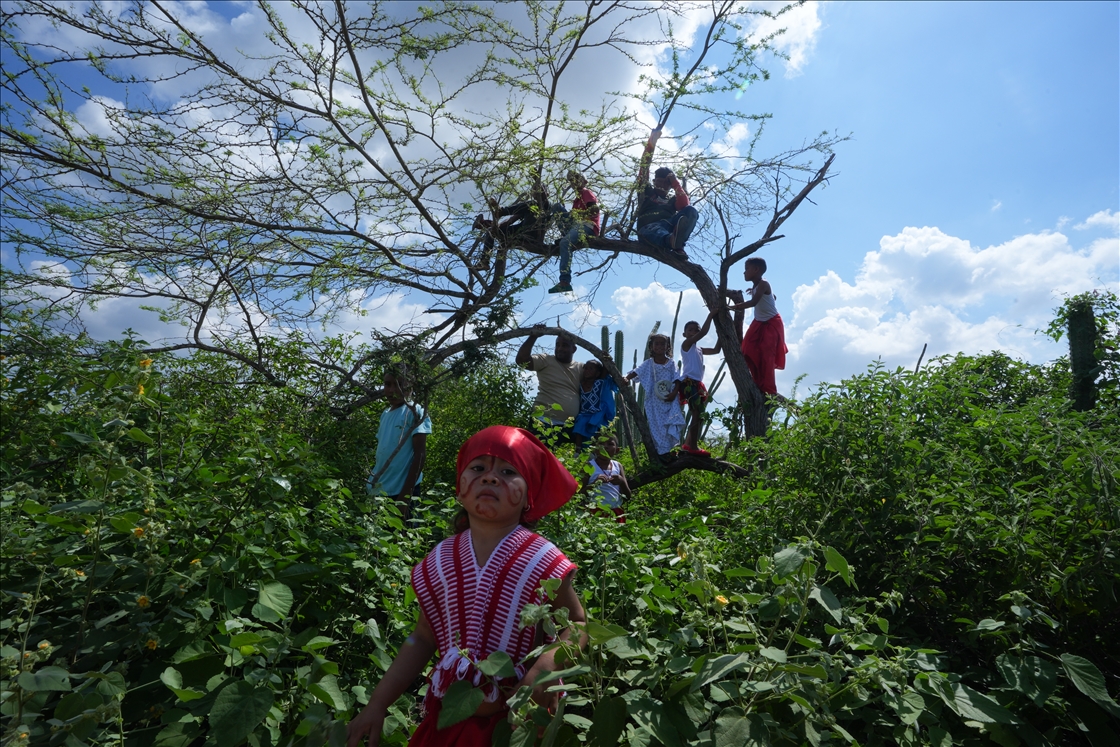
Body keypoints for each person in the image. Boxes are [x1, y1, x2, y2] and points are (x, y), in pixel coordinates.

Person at [346, 426, 586, 747]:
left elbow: (578, 624)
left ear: (529, 495)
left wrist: (544, 669)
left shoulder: (542, 559)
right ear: (459, 488)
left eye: (508, 471)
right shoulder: (439, 559)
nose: (490, 478)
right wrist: (377, 704)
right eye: (478, 468)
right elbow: (422, 637)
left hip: (515, 726)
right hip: (446, 725)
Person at [366, 364, 432, 521]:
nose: (392, 390)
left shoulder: (414, 411)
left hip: (402, 491)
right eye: (387, 384)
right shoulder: (385, 414)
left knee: (402, 533)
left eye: (399, 385)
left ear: (410, 387)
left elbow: (420, 455)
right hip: (379, 490)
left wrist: (405, 497)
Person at [725, 257, 787, 396]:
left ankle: (768, 390)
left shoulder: (764, 283)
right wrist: (756, 292)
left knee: (766, 356)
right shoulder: (757, 286)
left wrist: (732, 307)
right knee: (747, 348)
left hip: (771, 323)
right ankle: (757, 381)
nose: (744, 272)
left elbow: (753, 303)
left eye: (747, 269)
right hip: (759, 322)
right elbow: (771, 297)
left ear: (756, 269)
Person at [635, 127, 698, 258]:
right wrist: (652, 141)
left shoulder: (671, 201)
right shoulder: (647, 192)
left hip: (667, 227)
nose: (661, 185)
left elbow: (684, 205)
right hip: (648, 228)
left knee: (691, 211)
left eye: (665, 183)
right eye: (658, 181)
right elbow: (644, 166)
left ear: (669, 186)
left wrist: (675, 183)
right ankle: (673, 243)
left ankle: (675, 242)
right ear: (654, 181)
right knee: (655, 231)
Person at [515, 324, 583, 438]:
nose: (560, 348)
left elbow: (601, 378)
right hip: (542, 421)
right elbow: (521, 361)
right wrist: (533, 336)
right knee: (538, 450)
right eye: (558, 345)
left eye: (565, 345)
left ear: (574, 349)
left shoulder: (581, 368)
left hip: (568, 427)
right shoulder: (546, 360)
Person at [624, 333, 685, 457]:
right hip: (654, 401)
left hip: (670, 398)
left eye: (663, 344)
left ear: (668, 346)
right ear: (651, 346)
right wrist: (626, 378)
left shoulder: (671, 363)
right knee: (657, 426)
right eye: (657, 344)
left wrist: (674, 393)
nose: (660, 346)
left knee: (670, 424)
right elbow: (636, 372)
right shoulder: (649, 363)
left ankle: (671, 452)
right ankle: (661, 454)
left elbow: (677, 379)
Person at [675, 311, 720, 457]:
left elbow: (716, 350)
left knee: (699, 414)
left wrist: (722, 333)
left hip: (697, 383)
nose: (694, 332)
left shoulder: (699, 349)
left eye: (696, 330)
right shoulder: (686, 344)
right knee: (696, 413)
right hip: (689, 382)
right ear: (684, 334)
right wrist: (711, 315)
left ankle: (688, 444)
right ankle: (693, 446)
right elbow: (704, 332)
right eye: (690, 330)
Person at [548, 171, 600, 294]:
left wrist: (578, 214)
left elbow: (594, 210)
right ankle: (567, 237)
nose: (574, 182)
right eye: (572, 180)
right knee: (556, 207)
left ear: (584, 181)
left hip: (587, 225)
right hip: (576, 226)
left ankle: (564, 281)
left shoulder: (586, 193)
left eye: (577, 179)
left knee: (565, 243)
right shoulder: (576, 200)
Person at [581, 434, 631, 523]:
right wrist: (594, 484)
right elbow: (579, 495)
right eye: (601, 443)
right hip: (594, 512)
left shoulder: (618, 466)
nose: (605, 447)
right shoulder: (589, 466)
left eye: (610, 444)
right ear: (595, 449)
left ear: (617, 450)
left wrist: (622, 481)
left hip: (616, 512)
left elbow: (628, 496)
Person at [571, 359, 619, 448]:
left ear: (597, 373)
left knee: (596, 430)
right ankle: (577, 450)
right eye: (586, 368)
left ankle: (594, 449)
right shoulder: (581, 383)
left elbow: (605, 369)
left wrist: (605, 358)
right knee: (579, 427)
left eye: (591, 369)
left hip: (596, 412)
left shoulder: (599, 382)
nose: (587, 371)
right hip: (584, 412)